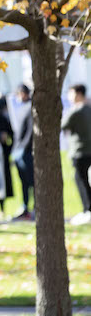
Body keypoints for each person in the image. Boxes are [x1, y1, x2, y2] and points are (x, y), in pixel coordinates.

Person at [62, 84, 91, 225]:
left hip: (79, 151)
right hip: (87, 151)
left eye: (71, 93)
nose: (69, 97)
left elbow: (63, 125)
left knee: (81, 180)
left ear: (78, 94)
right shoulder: (89, 109)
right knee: (85, 180)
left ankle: (87, 209)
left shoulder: (76, 111)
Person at [11, 85, 34, 220]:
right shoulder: (21, 108)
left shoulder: (30, 108)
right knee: (24, 182)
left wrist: (23, 148)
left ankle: (34, 208)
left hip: (24, 151)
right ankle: (25, 207)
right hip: (18, 150)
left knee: (31, 181)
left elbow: (30, 131)